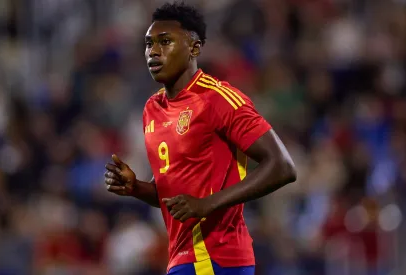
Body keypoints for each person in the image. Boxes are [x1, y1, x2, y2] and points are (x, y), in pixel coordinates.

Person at [104, 2, 297, 275]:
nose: (153, 52)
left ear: (194, 48)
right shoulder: (152, 110)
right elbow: (176, 197)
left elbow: (282, 166)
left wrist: (207, 204)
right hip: (183, 259)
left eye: (165, 41)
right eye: (149, 44)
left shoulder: (217, 99)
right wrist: (136, 187)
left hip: (217, 256)